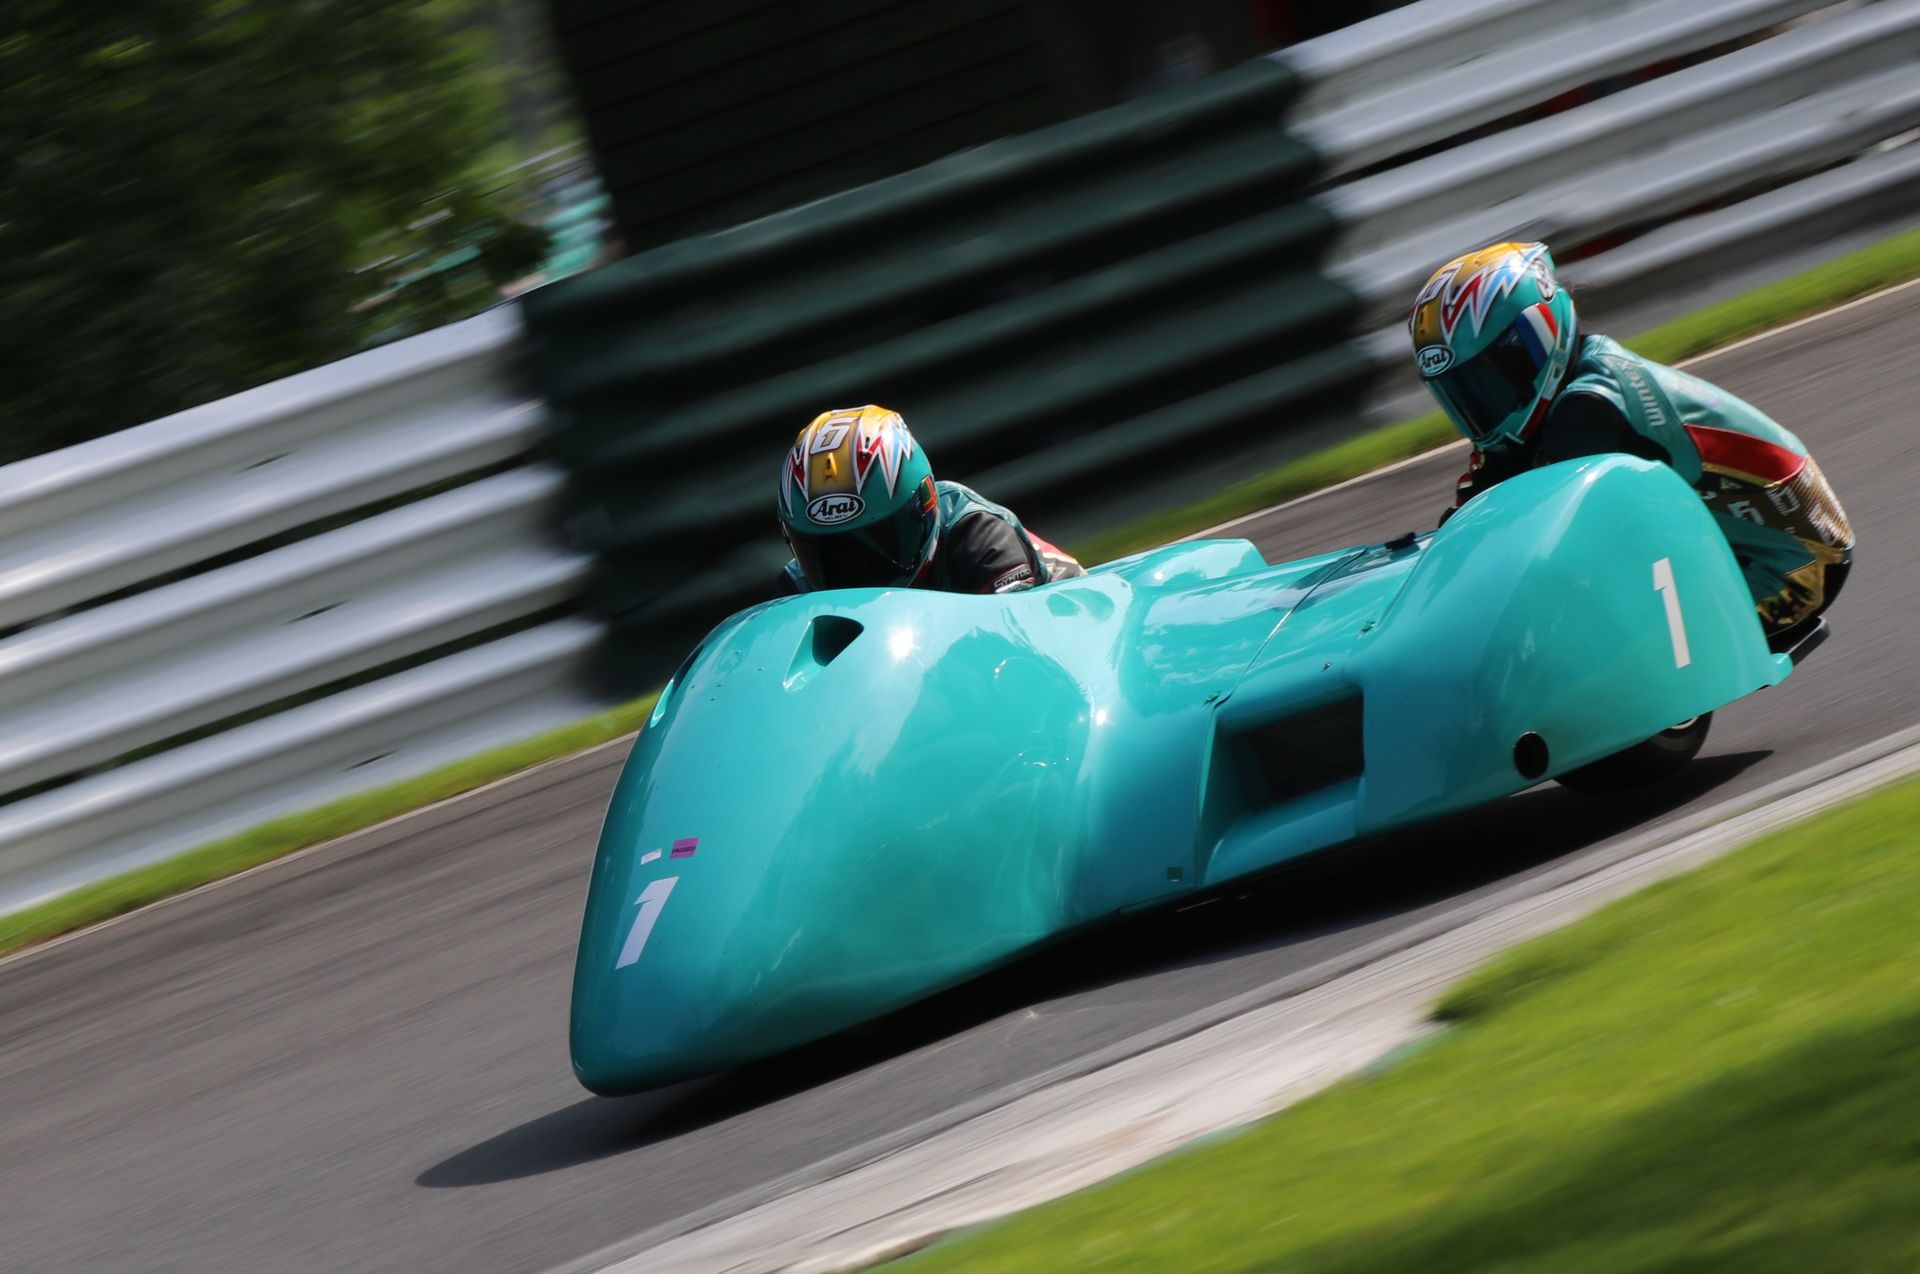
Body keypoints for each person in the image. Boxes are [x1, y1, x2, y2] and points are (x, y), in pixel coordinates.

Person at [1410, 241, 1853, 651]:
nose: (1480, 408)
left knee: (1575, 632)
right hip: (1714, 547)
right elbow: (1467, 521)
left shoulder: (1593, 403)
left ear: (1536, 339)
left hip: (1792, 560)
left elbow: (1539, 536)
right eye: (1461, 393)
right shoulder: (1539, 414)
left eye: (1488, 381)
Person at [776, 404, 1084, 594]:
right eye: (829, 554)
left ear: (923, 506)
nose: (855, 573)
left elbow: (1010, 657)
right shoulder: (797, 584)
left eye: (878, 541)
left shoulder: (977, 537)